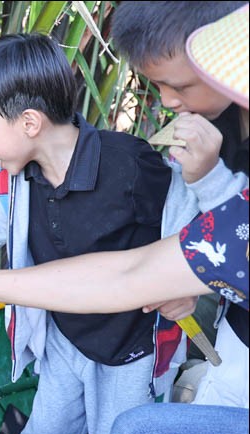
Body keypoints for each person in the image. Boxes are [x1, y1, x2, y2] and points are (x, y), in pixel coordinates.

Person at [0, 4, 250, 434]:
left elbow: (185, 222)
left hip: (131, 348)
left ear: (30, 123)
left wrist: (190, 289)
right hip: (66, 338)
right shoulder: (14, 181)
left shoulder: (131, 166)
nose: (165, 102)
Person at [111, 1, 249, 408]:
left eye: (180, 86)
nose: (168, 101)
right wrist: (186, 285)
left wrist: (211, 180)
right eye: (156, 86)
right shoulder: (210, 119)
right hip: (229, 323)